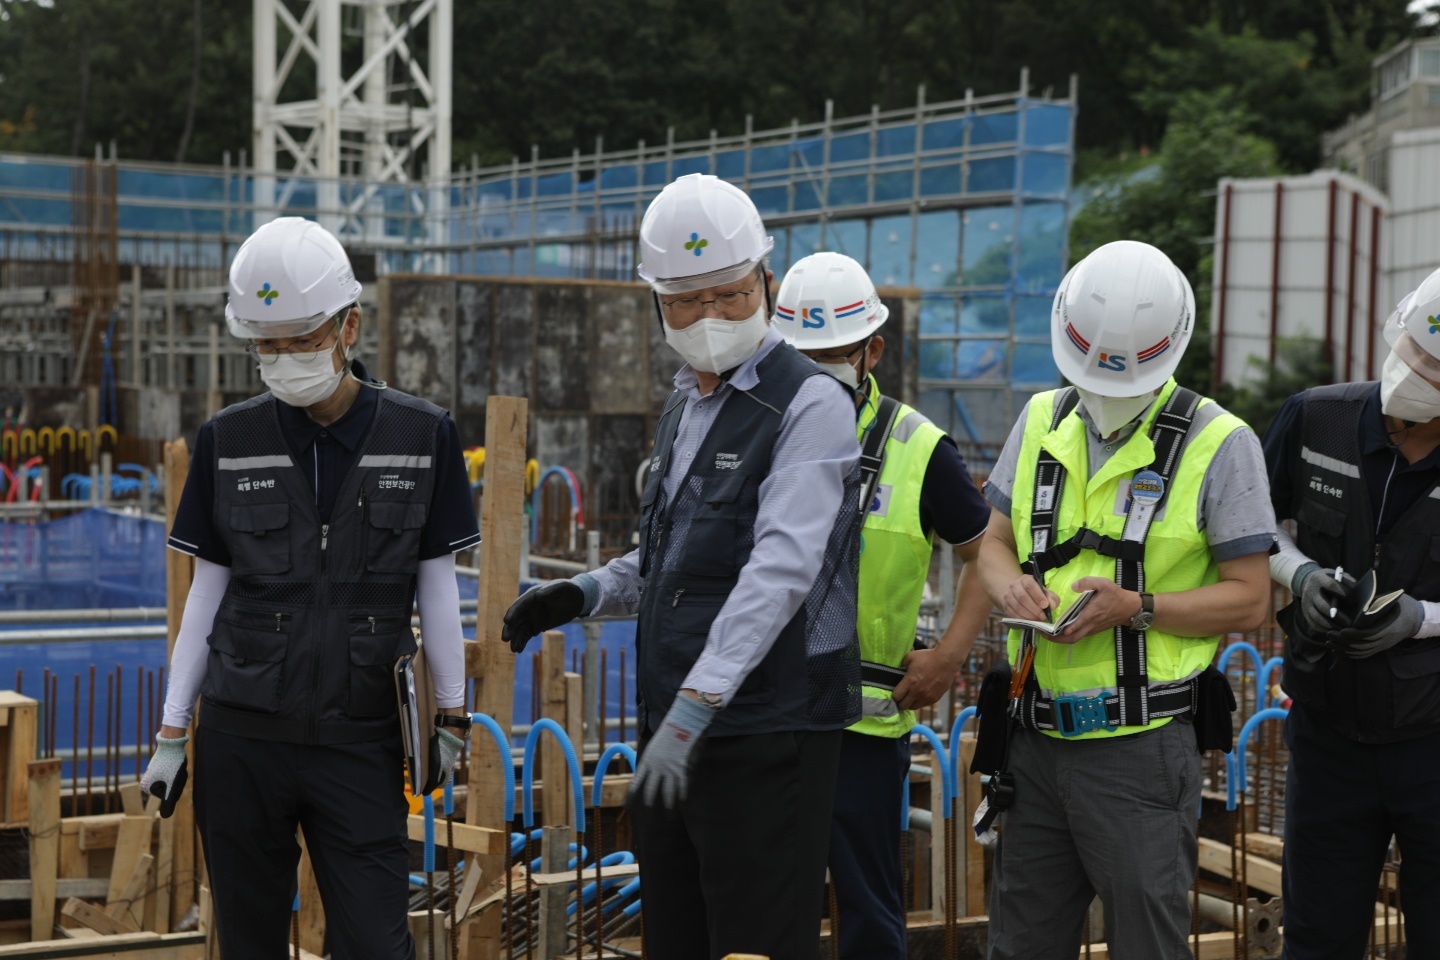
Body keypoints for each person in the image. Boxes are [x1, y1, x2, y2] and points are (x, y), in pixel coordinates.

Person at [501, 173, 862, 960]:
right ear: (656, 304)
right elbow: (671, 553)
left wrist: (698, 706)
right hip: (680, 724)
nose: (709, 318)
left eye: (729, 295)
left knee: (757, 942)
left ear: (766, 281)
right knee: (676, 934)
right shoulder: (684, 405)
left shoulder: (811, 404)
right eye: (686, 301)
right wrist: (586, 591)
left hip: (769, 728)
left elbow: (780, 569)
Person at [141, 217, 479, 959]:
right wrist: (172, 731)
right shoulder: (226, 441)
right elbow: (206, 594)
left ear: (348, 325)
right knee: (250, 940)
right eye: (266, 344)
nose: (284, 358)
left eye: (301, 339)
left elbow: (437, 589)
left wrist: (452, 716)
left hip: (359, 739)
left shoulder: (423, 437)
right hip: (241, 736)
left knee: (375, 942)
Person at [976, 240, 1275, 959]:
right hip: (1036, 740)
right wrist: (1007, 582)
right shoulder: (1043, 418)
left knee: (1147, 943)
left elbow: (1250, 599)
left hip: (1140, 750)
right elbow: (990, 541)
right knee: (1018, 945)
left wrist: (1136, 606)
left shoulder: (1221, 443)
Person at [774, 251, 991, 959]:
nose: (819, 368)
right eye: (803, 354)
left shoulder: (918, 447)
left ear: (874, 348)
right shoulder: (748, 429)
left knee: (868, 910)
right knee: (769, 914)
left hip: (863, 731)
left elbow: (988, 551)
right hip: (762, 720)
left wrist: (949, 655)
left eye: (835, 352)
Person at [1263, 267, 1440, 959]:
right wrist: (1298, 572)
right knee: (1316, 935)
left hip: (1432, 738)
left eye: (1436, 367)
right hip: (1328, 732)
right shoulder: (1315, 416)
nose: (1417, 372)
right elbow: (1253, 527)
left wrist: (1419, 618)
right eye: (1415, 352)